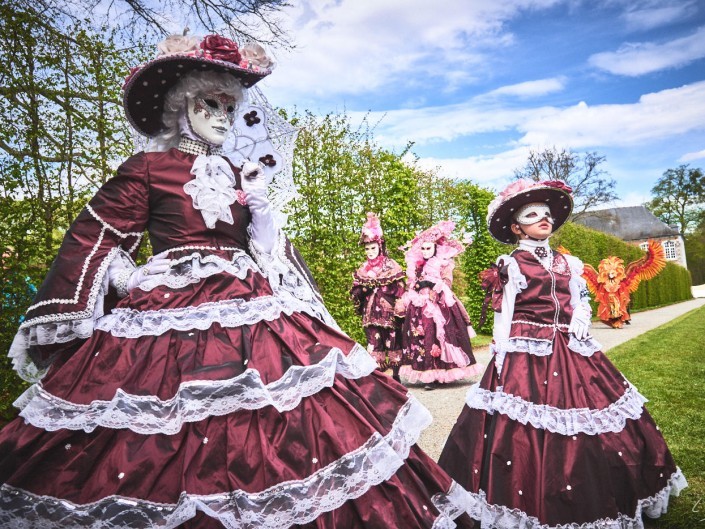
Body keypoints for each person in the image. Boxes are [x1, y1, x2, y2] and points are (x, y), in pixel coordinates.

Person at [0, 33, 475, 528]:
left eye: (231, 104)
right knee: (166, 421)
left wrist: (261, 203)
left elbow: (265, 249)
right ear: (182, 106)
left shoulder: (238, 170)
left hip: (248, 299)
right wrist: (140, 276)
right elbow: (97, 236)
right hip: (169, 309)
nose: (225, 115)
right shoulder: (148, 168)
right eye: (213, 102)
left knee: (287, 408)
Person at [438, 179, 687, 528]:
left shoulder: (569, 263)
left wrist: (583, 318)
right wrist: (501, 354)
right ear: (515, 227)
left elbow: (581, 298)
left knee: (599, 413)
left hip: (572, 345)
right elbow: (503, 313)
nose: (543, 218)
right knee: (524, 425)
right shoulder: (510, 264)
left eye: (546, 213)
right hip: (527, 349)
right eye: (531, 214)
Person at [400, 221, 482, 390]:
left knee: (441, 334)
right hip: (419, 306)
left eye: (428, 248)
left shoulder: (443, 263)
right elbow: (411, 284)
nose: (425, 251)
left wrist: (431, 284)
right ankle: (428, 374)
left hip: (440, 304)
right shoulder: (416, 266)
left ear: (435, 248)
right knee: (422, 335)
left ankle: (443, 371)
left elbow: (447, 283)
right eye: (422, 248)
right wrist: (416, 286)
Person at [350, 212, 406, 382]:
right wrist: (361, 291)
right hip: (370, 314)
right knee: (374, 344)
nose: (370, 251)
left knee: (392, 342)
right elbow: (355, 292)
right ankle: (380, 378)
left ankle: (396, 376)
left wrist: (399, 307)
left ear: (380, 247)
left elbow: (400, 289)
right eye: (367, 249)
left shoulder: (391, 265)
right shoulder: (363, 268)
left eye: (373, 248)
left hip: (389, 313)